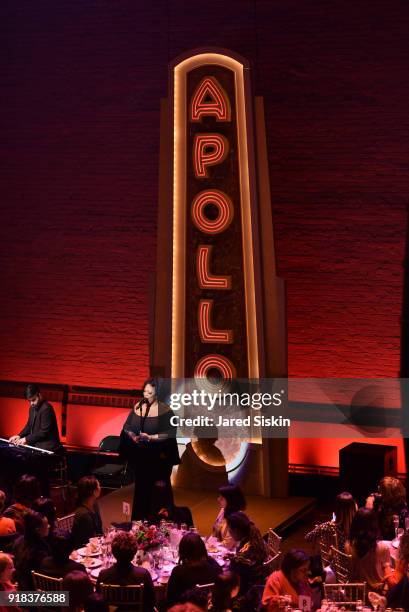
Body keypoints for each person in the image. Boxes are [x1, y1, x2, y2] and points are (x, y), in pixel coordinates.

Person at [119, 378, 180, 520]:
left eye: (150, 392)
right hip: (142, 460)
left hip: (158, 462)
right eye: (145, 391)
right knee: (141, 494)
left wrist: (151, 437)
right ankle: (139, 524)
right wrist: (133, 436)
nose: (147, 394)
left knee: (158, 497)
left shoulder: (165, 411)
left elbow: (170, 434)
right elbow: (127, 427)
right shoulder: (138, 407)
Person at [96, 531, 154, 612]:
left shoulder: (104, 574)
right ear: (134, 553)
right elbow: (151, 602)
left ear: (113, 552)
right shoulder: (143, 574)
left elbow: (98, 602)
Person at [166, 532, 223, 608]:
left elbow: (170, 601)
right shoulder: (215, 567)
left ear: (183, 552)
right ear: (203, 548)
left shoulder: (178, 572)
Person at [346, 507, 391, 591]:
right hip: (376, 594)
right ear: (374, 525)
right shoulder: (382, 548)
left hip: (356, 593)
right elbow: (387, 573)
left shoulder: (348, 546)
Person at [8, 384, 62, 452]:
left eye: (33, 400)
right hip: (37, 446)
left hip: (48, 448)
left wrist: (26, 439)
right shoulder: (32, 408)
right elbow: (29, 426)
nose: (31, 403)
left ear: (39, 395)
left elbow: (44, 432)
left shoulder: (47, 408)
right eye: (29, 401)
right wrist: (19, 436)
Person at [226, 512, 268, 594]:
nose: (229, 532)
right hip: (260, 582)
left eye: (229, 528)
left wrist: (235, 559)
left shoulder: (241, 557)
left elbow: (232, 577)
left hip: (247, 592)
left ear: (236, 530)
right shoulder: (257, 539)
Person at [13, 509, 51, 590]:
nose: (49, 526)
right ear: (37, 530)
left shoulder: (18, 541)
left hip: (22, 587)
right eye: (46, 524)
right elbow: (45, 579)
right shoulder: (38, 552)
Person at [71, 476, 103, 549]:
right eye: (99, 486)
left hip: (95, 545)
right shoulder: (84, 514)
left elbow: (99, 531)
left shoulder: (94, 505)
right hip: (84, 552)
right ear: (94, 492)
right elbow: (87, 542)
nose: (100, 488)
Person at [212, 484, 247, 550]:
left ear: (230, 500)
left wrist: (211, 546)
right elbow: (215, 532)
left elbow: (228, 545)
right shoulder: (223, 510)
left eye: (222, 498)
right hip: (223, 548)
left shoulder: (237, 519)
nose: (218, 499)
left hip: (235, 553)